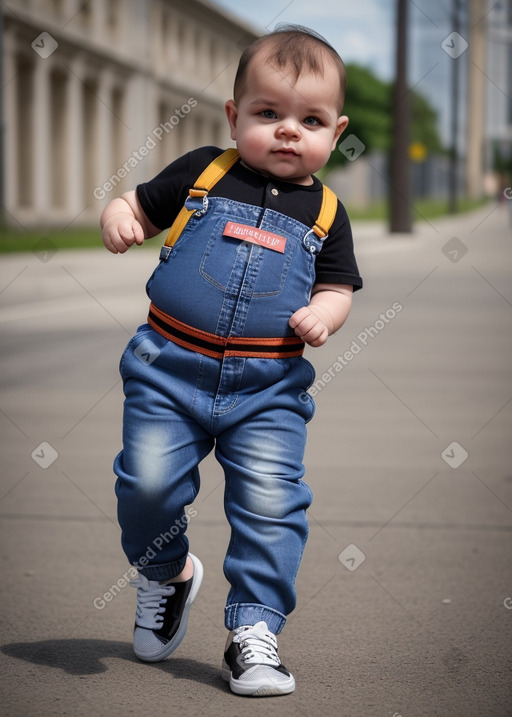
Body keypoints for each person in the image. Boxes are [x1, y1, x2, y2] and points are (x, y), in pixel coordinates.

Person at [100, 24, 362, 697]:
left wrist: (324, 316)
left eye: (309, 120)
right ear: (233, 115)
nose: (286, 131)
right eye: (267, 113)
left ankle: (255, 630)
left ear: (335, 134)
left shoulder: (327, 214)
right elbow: (139, 203)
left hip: (268, 387)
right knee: (147, 483)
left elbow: (337, 288)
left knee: (273, 504)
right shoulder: (203, 172)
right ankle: (166, 573)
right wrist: (119, 214)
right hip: (168, 369)